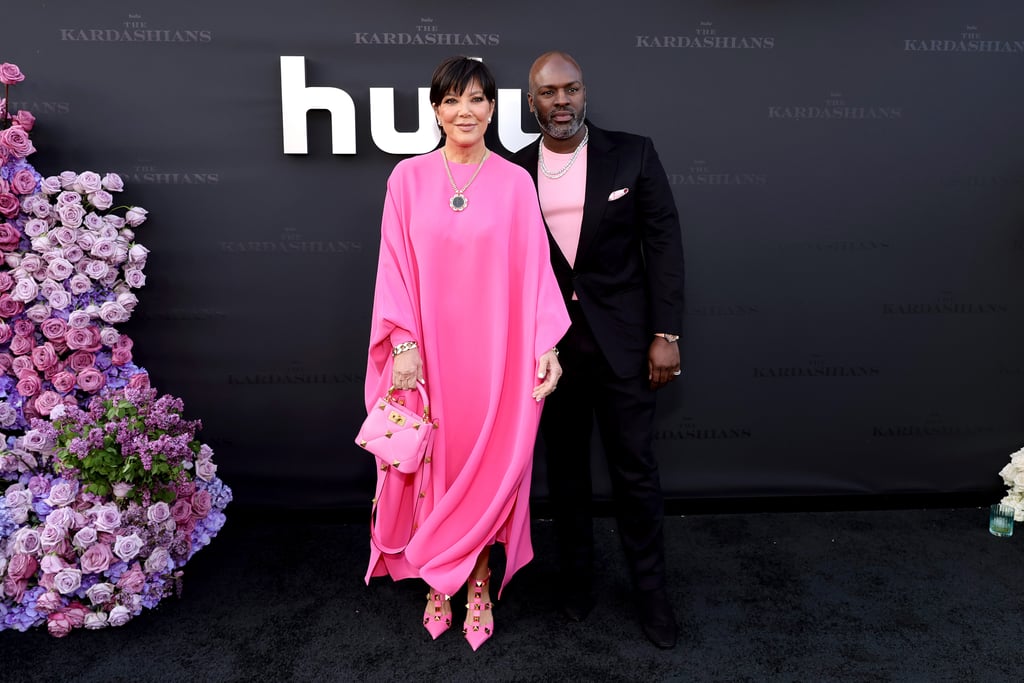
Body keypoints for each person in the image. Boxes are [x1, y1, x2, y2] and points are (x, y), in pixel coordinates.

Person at [363, 56, 570, 651]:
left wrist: (546, 345)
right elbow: (394, 265)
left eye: (477, 100)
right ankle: (437, 576)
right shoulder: (406, 180)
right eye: (452, 101)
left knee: (490, 463)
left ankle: (478, 575)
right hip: (429, 351)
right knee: (437, 461)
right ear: (435, 111)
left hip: (496, 353)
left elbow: (534, 273)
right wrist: (403, 342)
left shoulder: (513, 182)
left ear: (493, 109)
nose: (465, 112)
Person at [510, 51, 686, 649]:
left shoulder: (633, 152)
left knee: (635, 472)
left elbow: (663, 244)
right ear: (531, 102)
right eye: (548, 92)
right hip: (551, 351)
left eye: (572, 89)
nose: (561, 101)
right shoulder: (512, 171)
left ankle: (652, 595)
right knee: (565, 477)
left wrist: (666, 334)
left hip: (626, 345)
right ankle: (576, 584)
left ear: (586, 94)